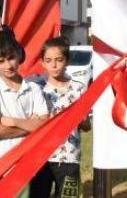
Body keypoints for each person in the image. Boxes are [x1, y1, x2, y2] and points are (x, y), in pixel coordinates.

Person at [0, 32, 48, 198]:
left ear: (19, 55)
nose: (8, 65)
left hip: (25, 164)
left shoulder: (34, 89)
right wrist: (30, 126)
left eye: (11, 58)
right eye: (0, 61)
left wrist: (12, 121)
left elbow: (45, 126)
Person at [28, 37, 90, 198]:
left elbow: (87, 126)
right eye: (48, 60)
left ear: (67, 61)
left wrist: (82, 121)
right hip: (40, 157)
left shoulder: (79, 88)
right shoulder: (36, 88)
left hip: (70, 156)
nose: (54, 65)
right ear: (42, 62)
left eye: (59, 60)